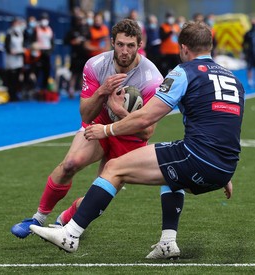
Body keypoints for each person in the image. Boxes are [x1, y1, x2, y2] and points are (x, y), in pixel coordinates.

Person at [30, 21, 245, 260]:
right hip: (225, 166)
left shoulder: (183, 72)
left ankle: (70, 234)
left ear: (183, 48)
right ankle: (167, 242)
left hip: (197, 157)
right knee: (171, 172)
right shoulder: (233, 79)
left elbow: (145, 119)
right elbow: (227, 129)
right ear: (210, 46)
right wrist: (225, 173)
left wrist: (107, 130)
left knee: (114, 168)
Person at [11, 19, 163, 239]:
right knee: (70, 164)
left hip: (129, 137)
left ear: (139, 45)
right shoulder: (96, 65)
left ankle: (64, 218)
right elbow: (85, 114)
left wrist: (119, 111)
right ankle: (37, 218)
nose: (124, 51)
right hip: (98, 124)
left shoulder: (151, 78)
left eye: (130, 46)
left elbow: (147, 132)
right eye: (120, 44)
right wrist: (102, 91)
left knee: (99, 192)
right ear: (112, 42)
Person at [65, 9, 90, 99]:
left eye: (82, 19)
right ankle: (71, 90)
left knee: (83, 74)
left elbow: (90, 39)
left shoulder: (87, 29)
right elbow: (66, 41)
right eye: (79, 19)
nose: (81, 21)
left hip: (85, 55)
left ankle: (82, 91)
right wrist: (74, 42)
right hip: (75, 54)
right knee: (74, 73)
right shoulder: (72, 30)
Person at [33, 12, 54, 94]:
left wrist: (50, 50)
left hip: (47, 53)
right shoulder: (36, 29)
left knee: (47, 71)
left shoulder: (49, 29)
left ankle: (44, 88)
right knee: (37, 71)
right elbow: (33, 41)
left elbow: (52, 42)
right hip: (38, 53)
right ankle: (36, 88)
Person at [4, 17, 24, 101]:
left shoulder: (20, 33)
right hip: (11, 59)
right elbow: (6, 46)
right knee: (11, 78)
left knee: (17, 78)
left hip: (19, 58)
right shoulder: (9, 33)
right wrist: (11, 51)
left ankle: (16, 94)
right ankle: (11, 94)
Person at [159, 10, 180, 77]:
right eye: (169, 16)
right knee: (165, 70)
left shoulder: (176, 26)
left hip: (176, 52)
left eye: (171, 16)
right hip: (166, 52)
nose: (170, 18)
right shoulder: (163, 26)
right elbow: (162, 37)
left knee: (177, 70)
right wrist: (170, 32)